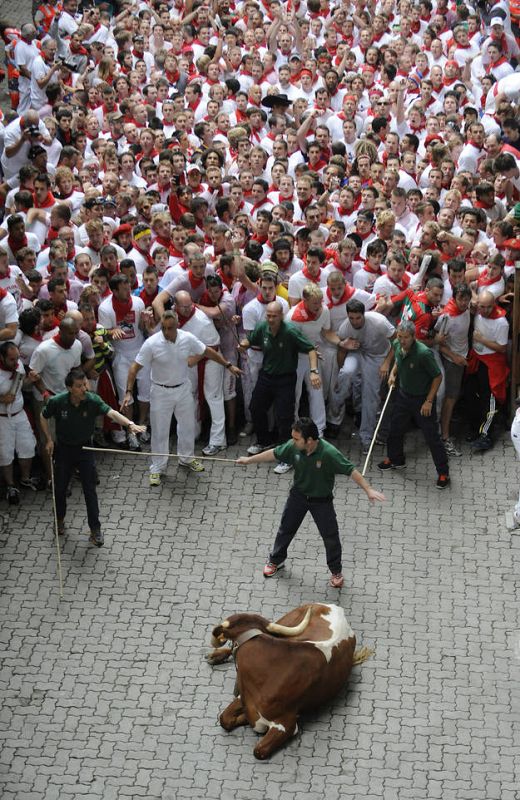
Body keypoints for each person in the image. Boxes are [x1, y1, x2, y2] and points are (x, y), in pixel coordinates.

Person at [236, 417, 385, 588]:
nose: (292, 441)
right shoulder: (293, 447)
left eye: (296, 438)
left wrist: (368, 490)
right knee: (286, 529)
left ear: (310, 441)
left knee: (330, 537)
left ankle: (336, 571)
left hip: (322, 501)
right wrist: (249, 460)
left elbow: (351, 470)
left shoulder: (329, 453)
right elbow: (274, 453)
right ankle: (276, 560)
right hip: (298, 496)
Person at [123, 310, 241, 486]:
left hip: (183, 389)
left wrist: (228, 365)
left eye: (170, 328)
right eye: (163, 328)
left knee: (188, 426)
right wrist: (128, 391)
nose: (166, 332)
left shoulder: (187, 338)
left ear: (177, 325)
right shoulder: (152, 343)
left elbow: (207, 351)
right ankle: (157, 468)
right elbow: (134, 368)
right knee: (160, 431)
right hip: (160, 392)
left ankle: (186, 458)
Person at [40, 368, 145, 547]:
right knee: (60, 489)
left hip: (85, 449)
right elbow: (43, 416)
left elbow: (111, 412)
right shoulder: (58, 402)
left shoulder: (92, 400)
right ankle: (59, 520)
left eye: (84, 385)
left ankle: (95, 530)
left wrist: (129, 424)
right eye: (79, 386)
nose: (84, 389)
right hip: (64, 450)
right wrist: (49, 439)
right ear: (69, 388)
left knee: (90, 490)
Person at [239, 301, 321, 456]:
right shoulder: (263, 327)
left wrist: (314, 371)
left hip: (285, 379)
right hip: (266, 376)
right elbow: (250, 340)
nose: (271, 319)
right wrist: (243, 344)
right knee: (255, 407)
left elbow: (310, 349)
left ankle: (286, 452)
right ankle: (263, 441)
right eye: (268, 316)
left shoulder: (290, 331)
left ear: (281, 316)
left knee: (284, 416)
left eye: (274, 316)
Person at [378, 321, 450, 489]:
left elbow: (437, 377)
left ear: (413, 337)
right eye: (400, 336)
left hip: (421, 399)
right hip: (403, 396)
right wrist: (393, 374)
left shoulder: (423, 354)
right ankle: (396, 459)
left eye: (405, 338)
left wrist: (429, 401)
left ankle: (443, 472)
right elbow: (398, 359)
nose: (402, 340)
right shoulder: (397, 344)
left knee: (432, 436)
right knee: (395, 429)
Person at [0, 341, 39, 504]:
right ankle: (10, 485)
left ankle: (25, 478)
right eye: (11, 359)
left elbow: (21, 385)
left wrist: (30, 380)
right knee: (5, 453)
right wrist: (1, 399)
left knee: (28, 446)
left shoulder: (19, 367)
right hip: (2, 419)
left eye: (17, 358)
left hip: (20, 414)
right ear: (1, 358)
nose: (15, 362)